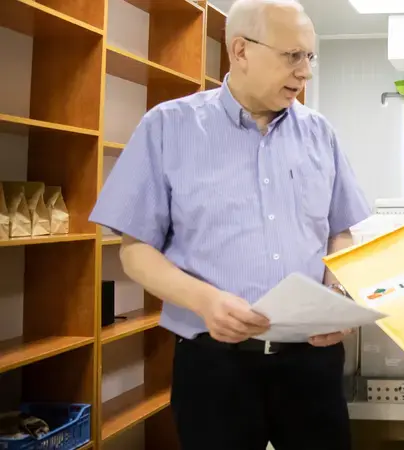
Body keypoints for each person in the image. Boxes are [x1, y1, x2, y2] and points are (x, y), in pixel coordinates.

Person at [89, 1, 370, 449]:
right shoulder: (167, 127)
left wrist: (336, 297)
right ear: (240, 50)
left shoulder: (321, 134)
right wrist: (205, 301)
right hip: (214, 365)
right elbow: (135, 249)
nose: (305, 72)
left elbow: (340, 233)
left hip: (311, 362)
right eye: (292, 56)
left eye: (310, 57)